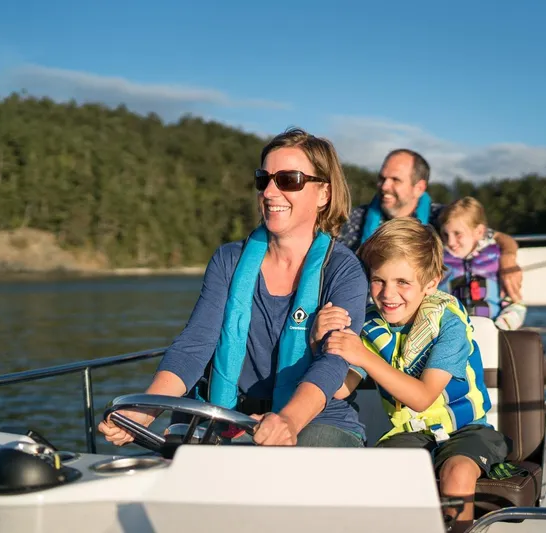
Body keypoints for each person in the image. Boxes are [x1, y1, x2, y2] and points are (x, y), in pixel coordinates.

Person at [97, 127, 370, 448]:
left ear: (323, 194)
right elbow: (195, 345)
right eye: (263, 179)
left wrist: (287, 421)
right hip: (225, 414)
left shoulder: (343, 269)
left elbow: (333, 362)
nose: (269, 192)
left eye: (288, 180)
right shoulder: (228, 260)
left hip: (314, 418)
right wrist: (143, 411)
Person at [320, 218, 513, 532]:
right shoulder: (367, 325)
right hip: (410, 435)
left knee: (458, 473)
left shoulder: (449, 323)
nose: (387, 294)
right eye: (378, 280)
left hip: (468, 430)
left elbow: (423, 398)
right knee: (381, 471)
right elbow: (341, 389)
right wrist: (324, 339)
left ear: (431, 283)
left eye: (402, 282)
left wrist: (364, 356)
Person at [337, 148, 523, 302]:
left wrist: (507, 259)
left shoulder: (441, 219)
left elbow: (500, 238)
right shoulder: (354, 220)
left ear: (419, 188)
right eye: (382, 178)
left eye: (395, 180)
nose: (384, 186)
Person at [437, 197, 527, 330]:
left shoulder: (495, 259)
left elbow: (516, 305)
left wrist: (499, 330)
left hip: (493, 331)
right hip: (452, 334)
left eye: (458, 234)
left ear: (479, 232)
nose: (450, 242)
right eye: (445, 234)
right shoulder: (438, 261)